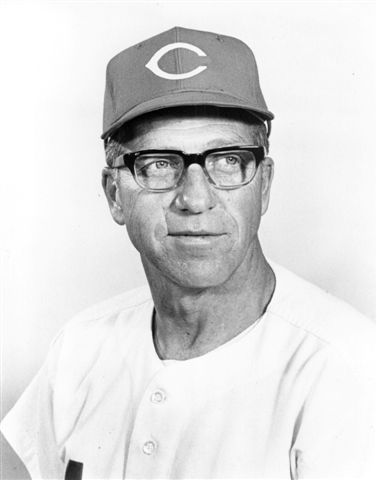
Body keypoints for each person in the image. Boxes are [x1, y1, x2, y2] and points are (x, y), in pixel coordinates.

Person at [1, 26, 375, 480]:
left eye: (228, 160)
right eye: (159, 163)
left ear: (265, 185)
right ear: (114, 194)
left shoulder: (345, 368)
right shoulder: (82, 347)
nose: (196, 198)